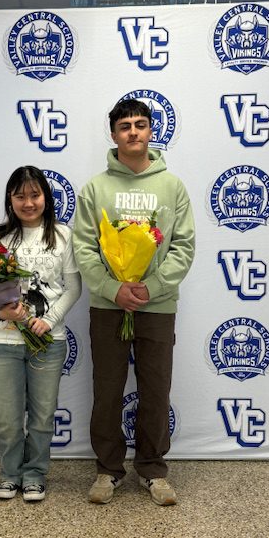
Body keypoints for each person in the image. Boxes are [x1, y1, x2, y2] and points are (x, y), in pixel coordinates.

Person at [72, 99, 195, 506]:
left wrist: (151, 287)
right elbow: (85, 248)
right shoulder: (95, 188)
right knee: (107, 389)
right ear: (113, 135)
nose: (133, 132)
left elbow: (183, 247)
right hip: (109, 307)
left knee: (156, 389)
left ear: (151, 131)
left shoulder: (172, 186)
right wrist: (114, 289)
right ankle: (108, 471)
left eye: (140, 124)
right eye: (125, 126)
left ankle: (153, 470)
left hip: (157, 307)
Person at [0, 166, 81, 502]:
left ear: (46, 198)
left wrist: (50, 319)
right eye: (20, 196)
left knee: (42, 416)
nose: (28, 202)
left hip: (49, 340)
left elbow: (73, 287)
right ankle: (10, 474)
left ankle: (35, 475)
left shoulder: (62, 235)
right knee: (9, 418)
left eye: (35, 195)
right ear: (10, 200)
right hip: (4, 340)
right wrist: (0, 310)